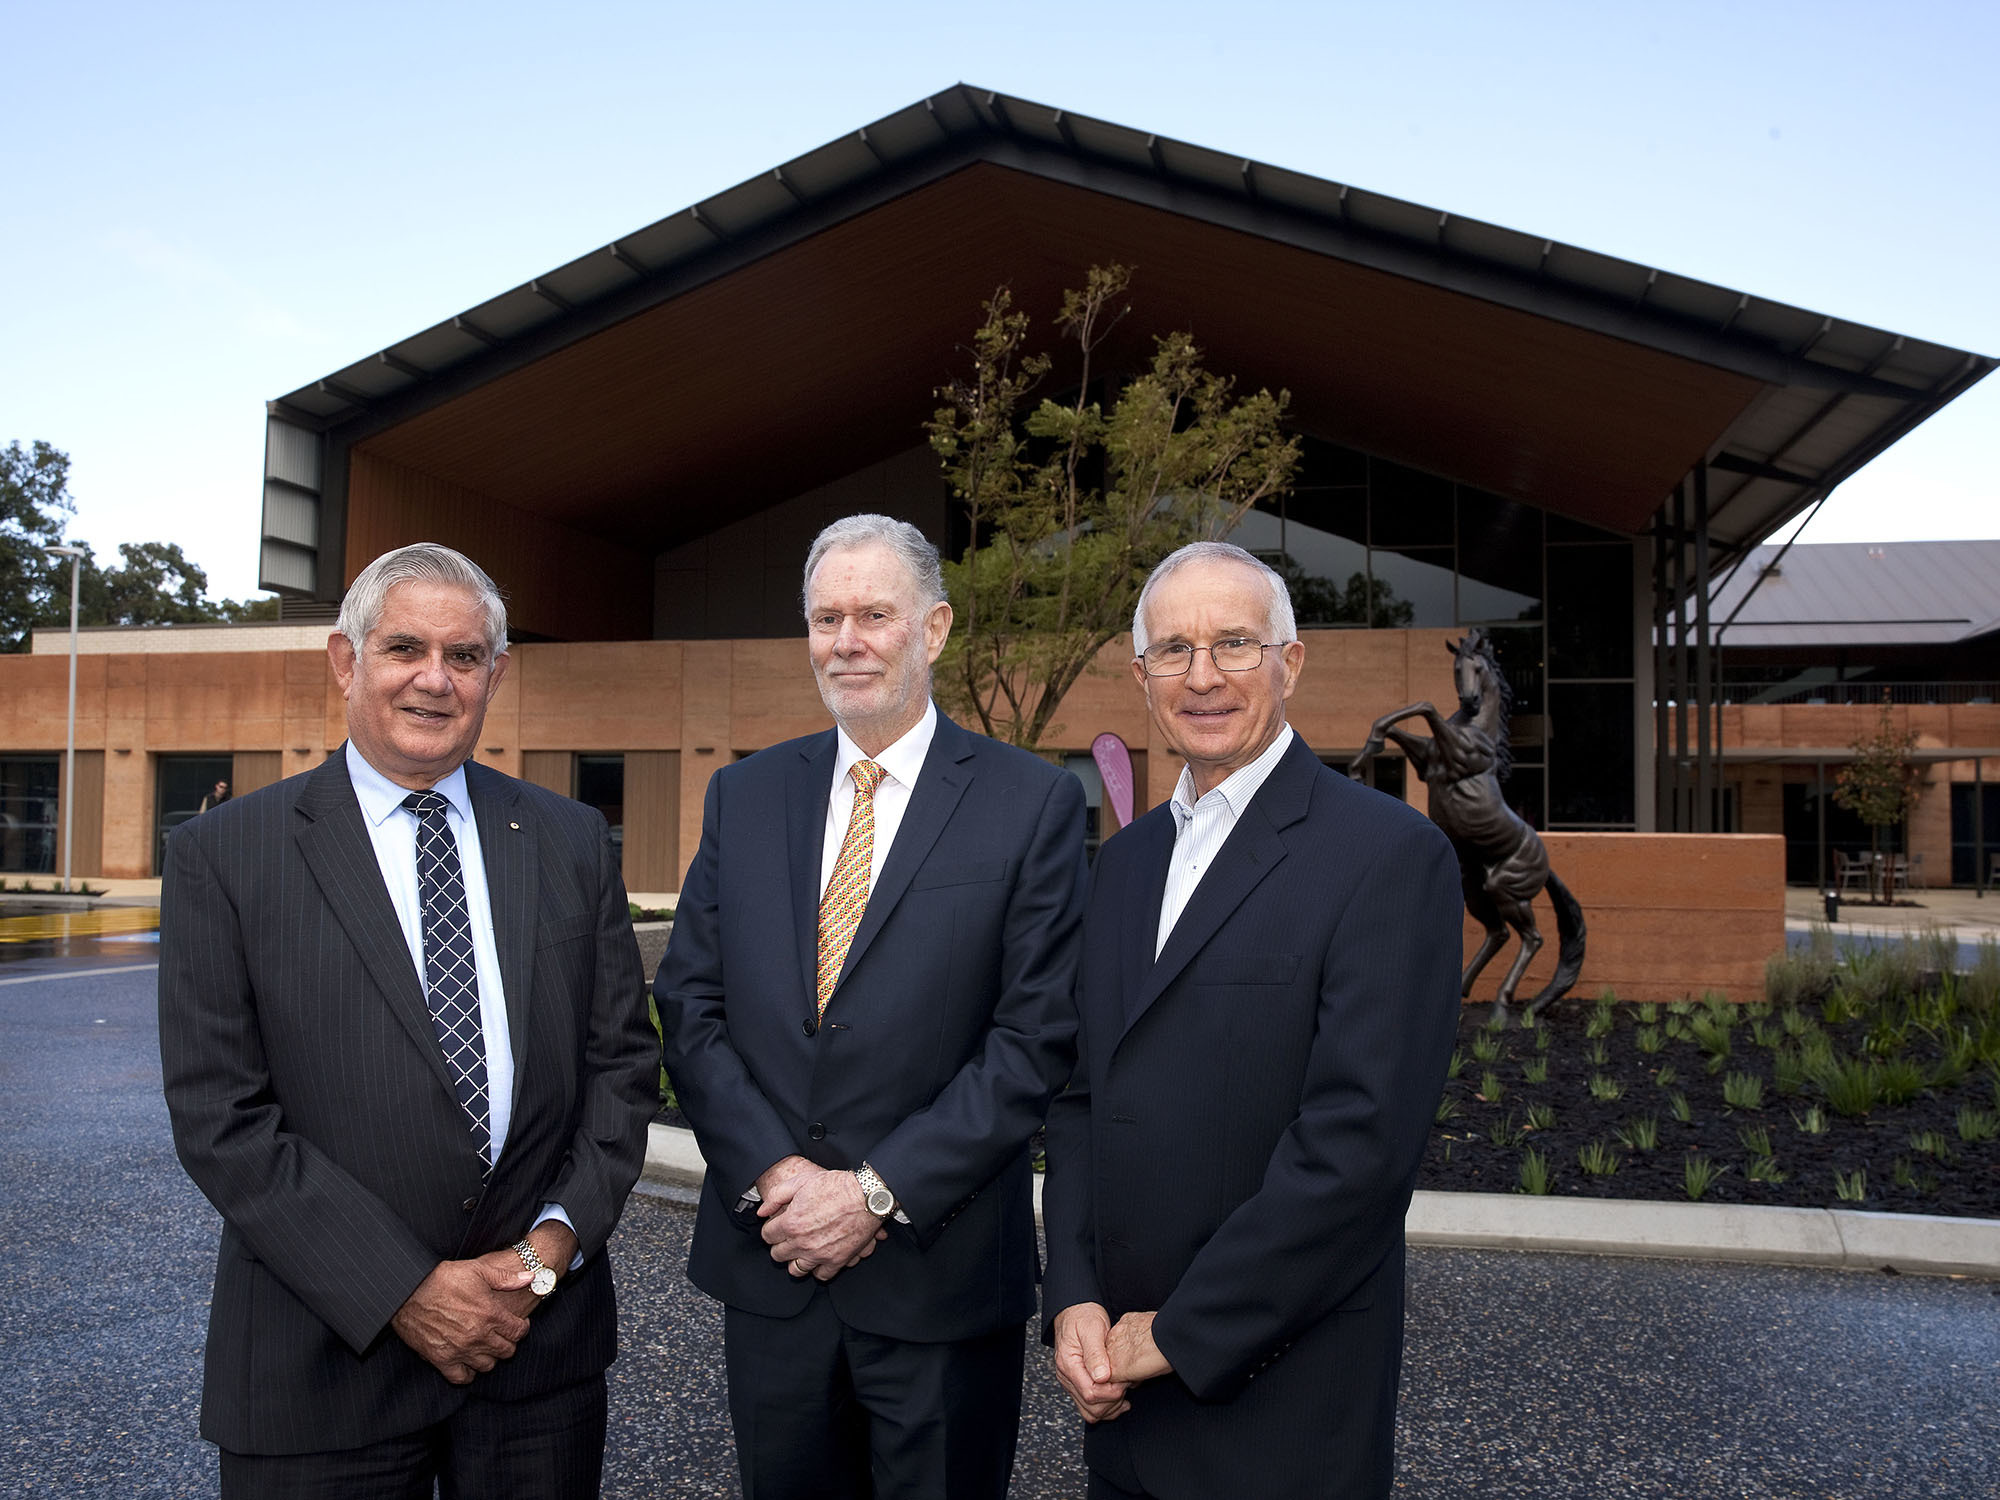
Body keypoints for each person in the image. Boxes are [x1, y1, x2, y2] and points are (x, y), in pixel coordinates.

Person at [158, 542, 659, 1498]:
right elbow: (222, 1118)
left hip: (535, 1362)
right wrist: (404, 1293)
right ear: (347, 662)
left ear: (495, 675)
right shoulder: (229, 856)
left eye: (464, 657)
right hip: (319, 1369)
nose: (436, 679)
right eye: (405, 649)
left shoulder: (570, 840)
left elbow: (622, 1071)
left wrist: (548, 1250)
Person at [656, 513, 1088, 1499]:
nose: (844, 641)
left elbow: (1032, 1041)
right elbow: (689, 1002)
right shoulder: (743, 794)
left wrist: (871, 1193)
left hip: (935, 1281)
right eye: (823, 618)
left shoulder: (1029, 804)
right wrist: (777, 1175)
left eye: (872, 615)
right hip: (771, 1269)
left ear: (931, 631)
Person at [1041, 541, 1463, 1500]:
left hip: (1280, 1408)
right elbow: (1078, 1100)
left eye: (1235, 644)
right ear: (1140, 673)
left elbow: (1358, 1151)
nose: (1203, 677)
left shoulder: (1388, 857)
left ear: (1291, 661)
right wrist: (1072, 1295)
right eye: (1174, 650)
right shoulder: (1124, 863)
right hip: (1121, 1401)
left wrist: (1180, 1333)